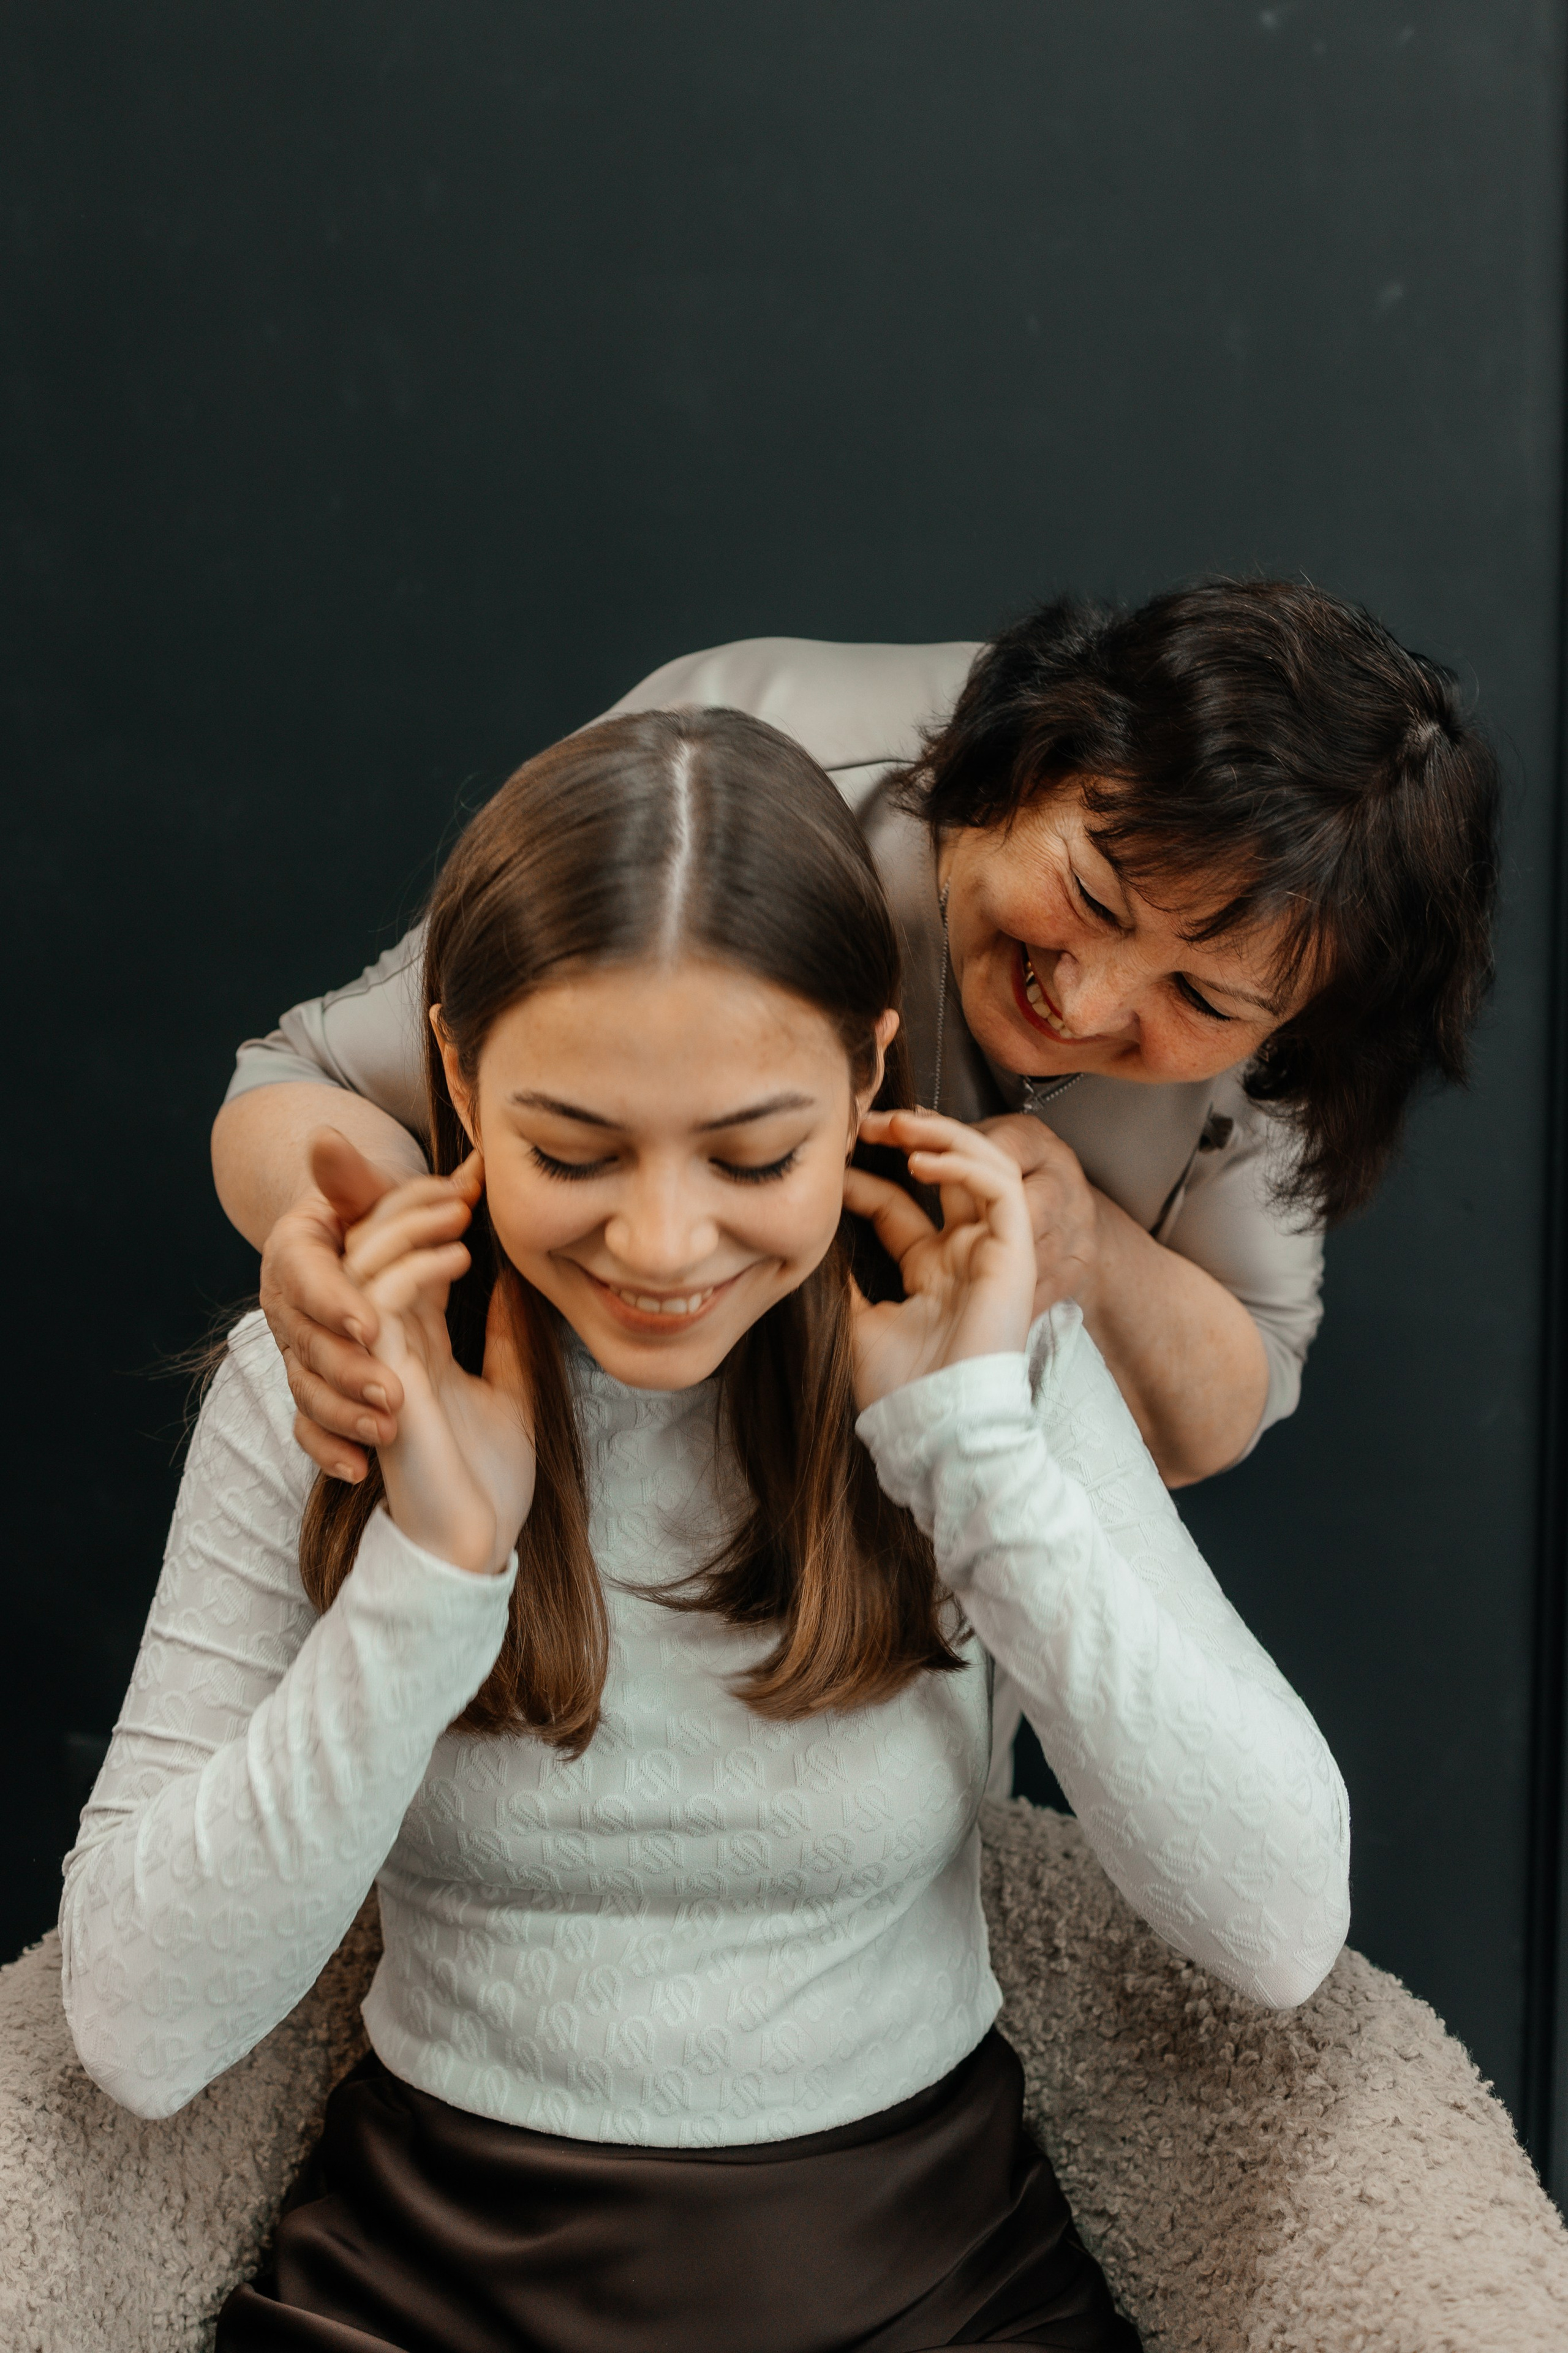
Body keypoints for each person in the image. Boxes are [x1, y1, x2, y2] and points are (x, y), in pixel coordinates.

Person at [62, 709, 1350, 2353]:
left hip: (934, 2276)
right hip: (426, 2276)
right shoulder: (325, 1377)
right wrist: (436, 1569)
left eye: (755, 1153)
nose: (663, 1244)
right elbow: (131, 2027)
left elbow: (1283, 1924)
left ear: (868, 1068)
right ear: (458, 1071)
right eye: (571, 1149)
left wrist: (967, 1451)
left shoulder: (988, 1349)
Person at [211, 580, 1499, 1519]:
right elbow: (294, 1081)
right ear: (1031, 761)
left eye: (1202, 1002)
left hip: (897, 1627)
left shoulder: (1292, 990)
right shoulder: (742, 778)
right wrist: (370, 1271)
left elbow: (1227, 1400)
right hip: (523, 1520)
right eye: (1093, 896)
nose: (1085, 995)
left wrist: (1088, 1253)